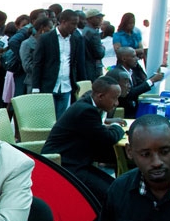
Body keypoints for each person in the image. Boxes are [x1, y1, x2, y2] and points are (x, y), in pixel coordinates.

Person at [42, 75, 123, 203]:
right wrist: (117, 127)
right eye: (115, 98)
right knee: (111, 193)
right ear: (100, 96)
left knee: (115, 187)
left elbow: (99, 132)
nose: (116, 103)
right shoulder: (86, 111)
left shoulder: (88, 102)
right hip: (63, 165)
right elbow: (108, 138)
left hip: (76, 160)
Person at [31, 9, 86, 119]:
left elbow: (77, 63)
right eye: (73, 24)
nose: (75, 27)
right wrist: (35, 87)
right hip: (48, 85)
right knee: (47, 119)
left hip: (67, 85)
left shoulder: (76, 39)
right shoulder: (46, 38)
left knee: (62, 119)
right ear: (63, 22)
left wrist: (80, 82)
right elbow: (38, 64)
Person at [111, 47, 163, 117]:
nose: (137, 59)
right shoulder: (118, 74)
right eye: (133, 56)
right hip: (123, 112)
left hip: (133, 110)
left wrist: (156, 76)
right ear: (124, 59)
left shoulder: (131, 71)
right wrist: (152, 80)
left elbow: (141, 85)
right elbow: (129, 94)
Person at [20, 16, 53, 96]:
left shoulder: (49, 43)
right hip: (33, 83)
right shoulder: (27, 44)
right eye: (50, 27)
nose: (52, 30)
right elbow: (27, 66)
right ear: (42, 27)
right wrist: (44, 69)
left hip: (48, 83)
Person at [82, 8, 105, 83]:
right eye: (98, 18)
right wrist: (103, 48)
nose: (101, 20)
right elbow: (99, 54)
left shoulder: (84, 30)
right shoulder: (93, 33)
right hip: (93, 67)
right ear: (90, 19)